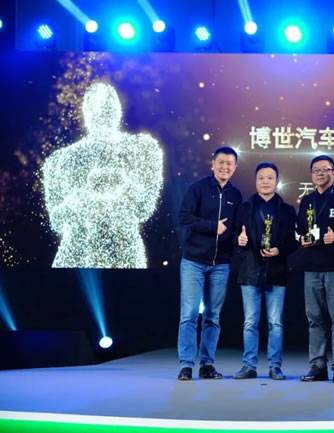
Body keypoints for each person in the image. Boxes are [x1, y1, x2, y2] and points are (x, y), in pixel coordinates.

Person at [42, 82, 163, 268]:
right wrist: (84, 195)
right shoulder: (60, 160)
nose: (102, 115)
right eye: (96, 109)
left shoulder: (142, 148)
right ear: (86, 112)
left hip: (124, 254)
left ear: (118, 110)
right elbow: (56, 221)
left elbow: (144, 208)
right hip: (78, 257)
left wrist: (122, 184)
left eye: (107, 107)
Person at [176, 146, 242, 381]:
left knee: (213, 316)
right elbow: (184, 217)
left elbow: (235, 228)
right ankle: (186, 365)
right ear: (212, 164)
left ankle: (207, 364)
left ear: (235, 167)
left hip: (221, 264)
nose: (225, 167)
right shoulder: (198, 188)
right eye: (221, 162)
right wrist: (213, 226)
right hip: (193, 261)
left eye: (229, 163)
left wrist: (239, 238)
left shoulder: (236, 195)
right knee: (189, 314)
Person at [233, 162, 297, 380]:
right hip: (250, 271)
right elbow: (234, 237)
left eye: (270, 178)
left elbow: (294, 242)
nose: (265, 182)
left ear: (277, 181)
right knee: (250, 322)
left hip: (276, 272)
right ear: (255, 181)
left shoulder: (287, 210)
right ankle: (248, 366)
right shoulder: (244, 208)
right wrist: (239, 240)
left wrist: (280, 250)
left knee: (275, 323)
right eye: (261, 178)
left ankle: (275, 366)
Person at [295, 155, 334, 383]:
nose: (320, 173)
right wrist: (302, 238)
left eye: (325, 169)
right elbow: (300, 229)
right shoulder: (306, 200)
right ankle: (317, 365)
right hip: (311, 267)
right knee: (314, 318)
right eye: (316, 170)